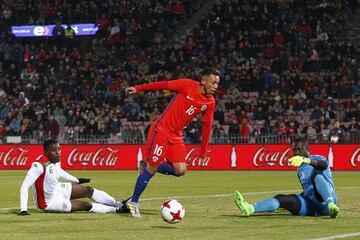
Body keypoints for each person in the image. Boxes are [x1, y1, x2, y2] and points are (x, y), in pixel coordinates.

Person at [124, 68, 220, 217]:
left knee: (181, 170)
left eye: (217, 84)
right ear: (203, 81)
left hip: (176, 136)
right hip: (161, 131)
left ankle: (147, 165)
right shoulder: (187, 85)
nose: (215, 86)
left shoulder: (210, 102)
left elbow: (207, 125)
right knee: (152, 168)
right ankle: (134, 201)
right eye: (213, 82)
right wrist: (138, 88)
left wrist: (203, 151)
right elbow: (162, 85)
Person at [234, 137, 340, 219]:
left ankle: (331, 205)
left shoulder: (317, 158)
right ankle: (250, 208)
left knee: (317, 176)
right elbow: (309, 190)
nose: (296, 152)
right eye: (294, 150)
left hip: (325, 201)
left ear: (308, 150)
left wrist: (306, 160)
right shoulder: (300, 169)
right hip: (311, 206)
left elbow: (324, 165)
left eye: (299, 149)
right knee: (282, 199)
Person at [19, 139, 129, 215]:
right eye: (54, 150)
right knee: (86, 205)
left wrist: (76, 180)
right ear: (46, 153)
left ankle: (117, 203)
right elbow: (24, 186)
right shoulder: (38, 165)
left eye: (59, 149)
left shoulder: (55, 160)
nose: (58, 152)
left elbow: (58, 171)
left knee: (89, 190)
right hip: (49, 203)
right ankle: (117, 210)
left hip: (57, 189)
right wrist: (23, 209)